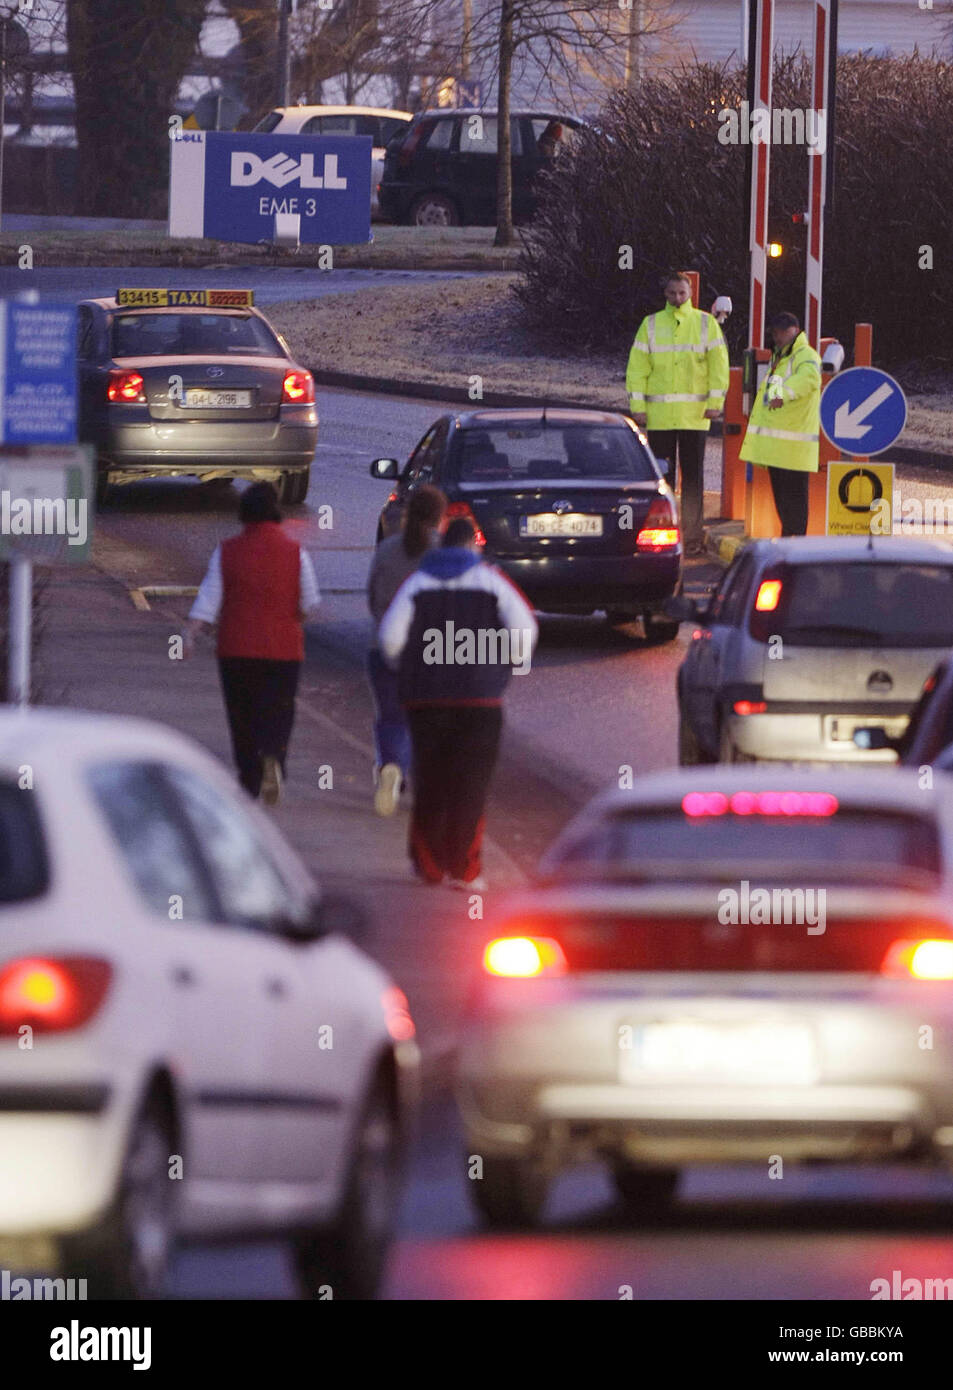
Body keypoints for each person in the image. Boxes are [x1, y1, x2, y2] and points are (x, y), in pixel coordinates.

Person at [378, 517, 537, 890]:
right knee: (471, 785)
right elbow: (524, 629)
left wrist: (411, 665)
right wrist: (503, 663)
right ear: (472, 546)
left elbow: (389, 640)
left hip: (426, 699)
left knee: (431, 781)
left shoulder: (416, 582)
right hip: (479, 700)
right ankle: (465, 870)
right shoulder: (493, 581)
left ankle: (429, 865)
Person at [184, 481, 320, 804]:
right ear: (275, 513)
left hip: (237, 650)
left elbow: (209, 598)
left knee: (242, 715)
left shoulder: (227, 550)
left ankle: (249, 778)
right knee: (278, 710)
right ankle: (273, 758)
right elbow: (310, 602)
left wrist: (189, 634)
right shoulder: (295, 552)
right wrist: (292, 620)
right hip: (283, 650)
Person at [625, 270, 729, 556]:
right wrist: (638, 408)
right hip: (660, 416)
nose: (677, 298)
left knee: (693, 477)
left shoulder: (706, 324)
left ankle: (693, 537)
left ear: (691, 292)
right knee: (664, 477)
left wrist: (715, 403)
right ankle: (665, 532)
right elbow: (637, 369)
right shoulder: (651, 324)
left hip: (695, 416)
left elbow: (718, 369)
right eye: (672, 293)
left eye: (682, 293)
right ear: (666, 294)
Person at [366, 485, 448, 816]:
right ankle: (405, 772)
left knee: (390, 716)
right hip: (428, 651)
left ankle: (391, 766)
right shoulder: (443, 554)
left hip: (384, 646)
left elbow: (373, 597)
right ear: (440, 518)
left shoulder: (386, 550)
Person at [739, 311, 822, 536]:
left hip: (793, 447)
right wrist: (777, 396)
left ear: (792, 330)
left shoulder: (804, 354)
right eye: (774, 333)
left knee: (793, 505)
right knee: (786, 506)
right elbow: (774, 396)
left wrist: (783, 394)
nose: (776, 338)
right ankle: (788, 545)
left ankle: (794, 548)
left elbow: (810, 378)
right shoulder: (781, 356)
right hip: (781, 448)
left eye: (779, 333)